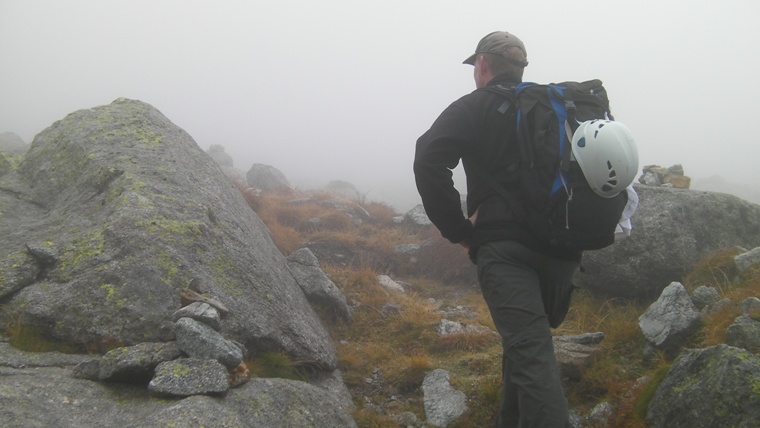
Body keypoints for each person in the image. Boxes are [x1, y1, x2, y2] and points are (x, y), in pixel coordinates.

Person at [413, 31, 578, 427]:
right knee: (525, 344)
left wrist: (459, 230)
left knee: (532, 353)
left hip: (506, 251)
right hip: (564, 250)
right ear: (520, 68)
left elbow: (428, 162)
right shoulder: (555, 108)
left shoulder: (474, 106)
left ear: (482, 65)